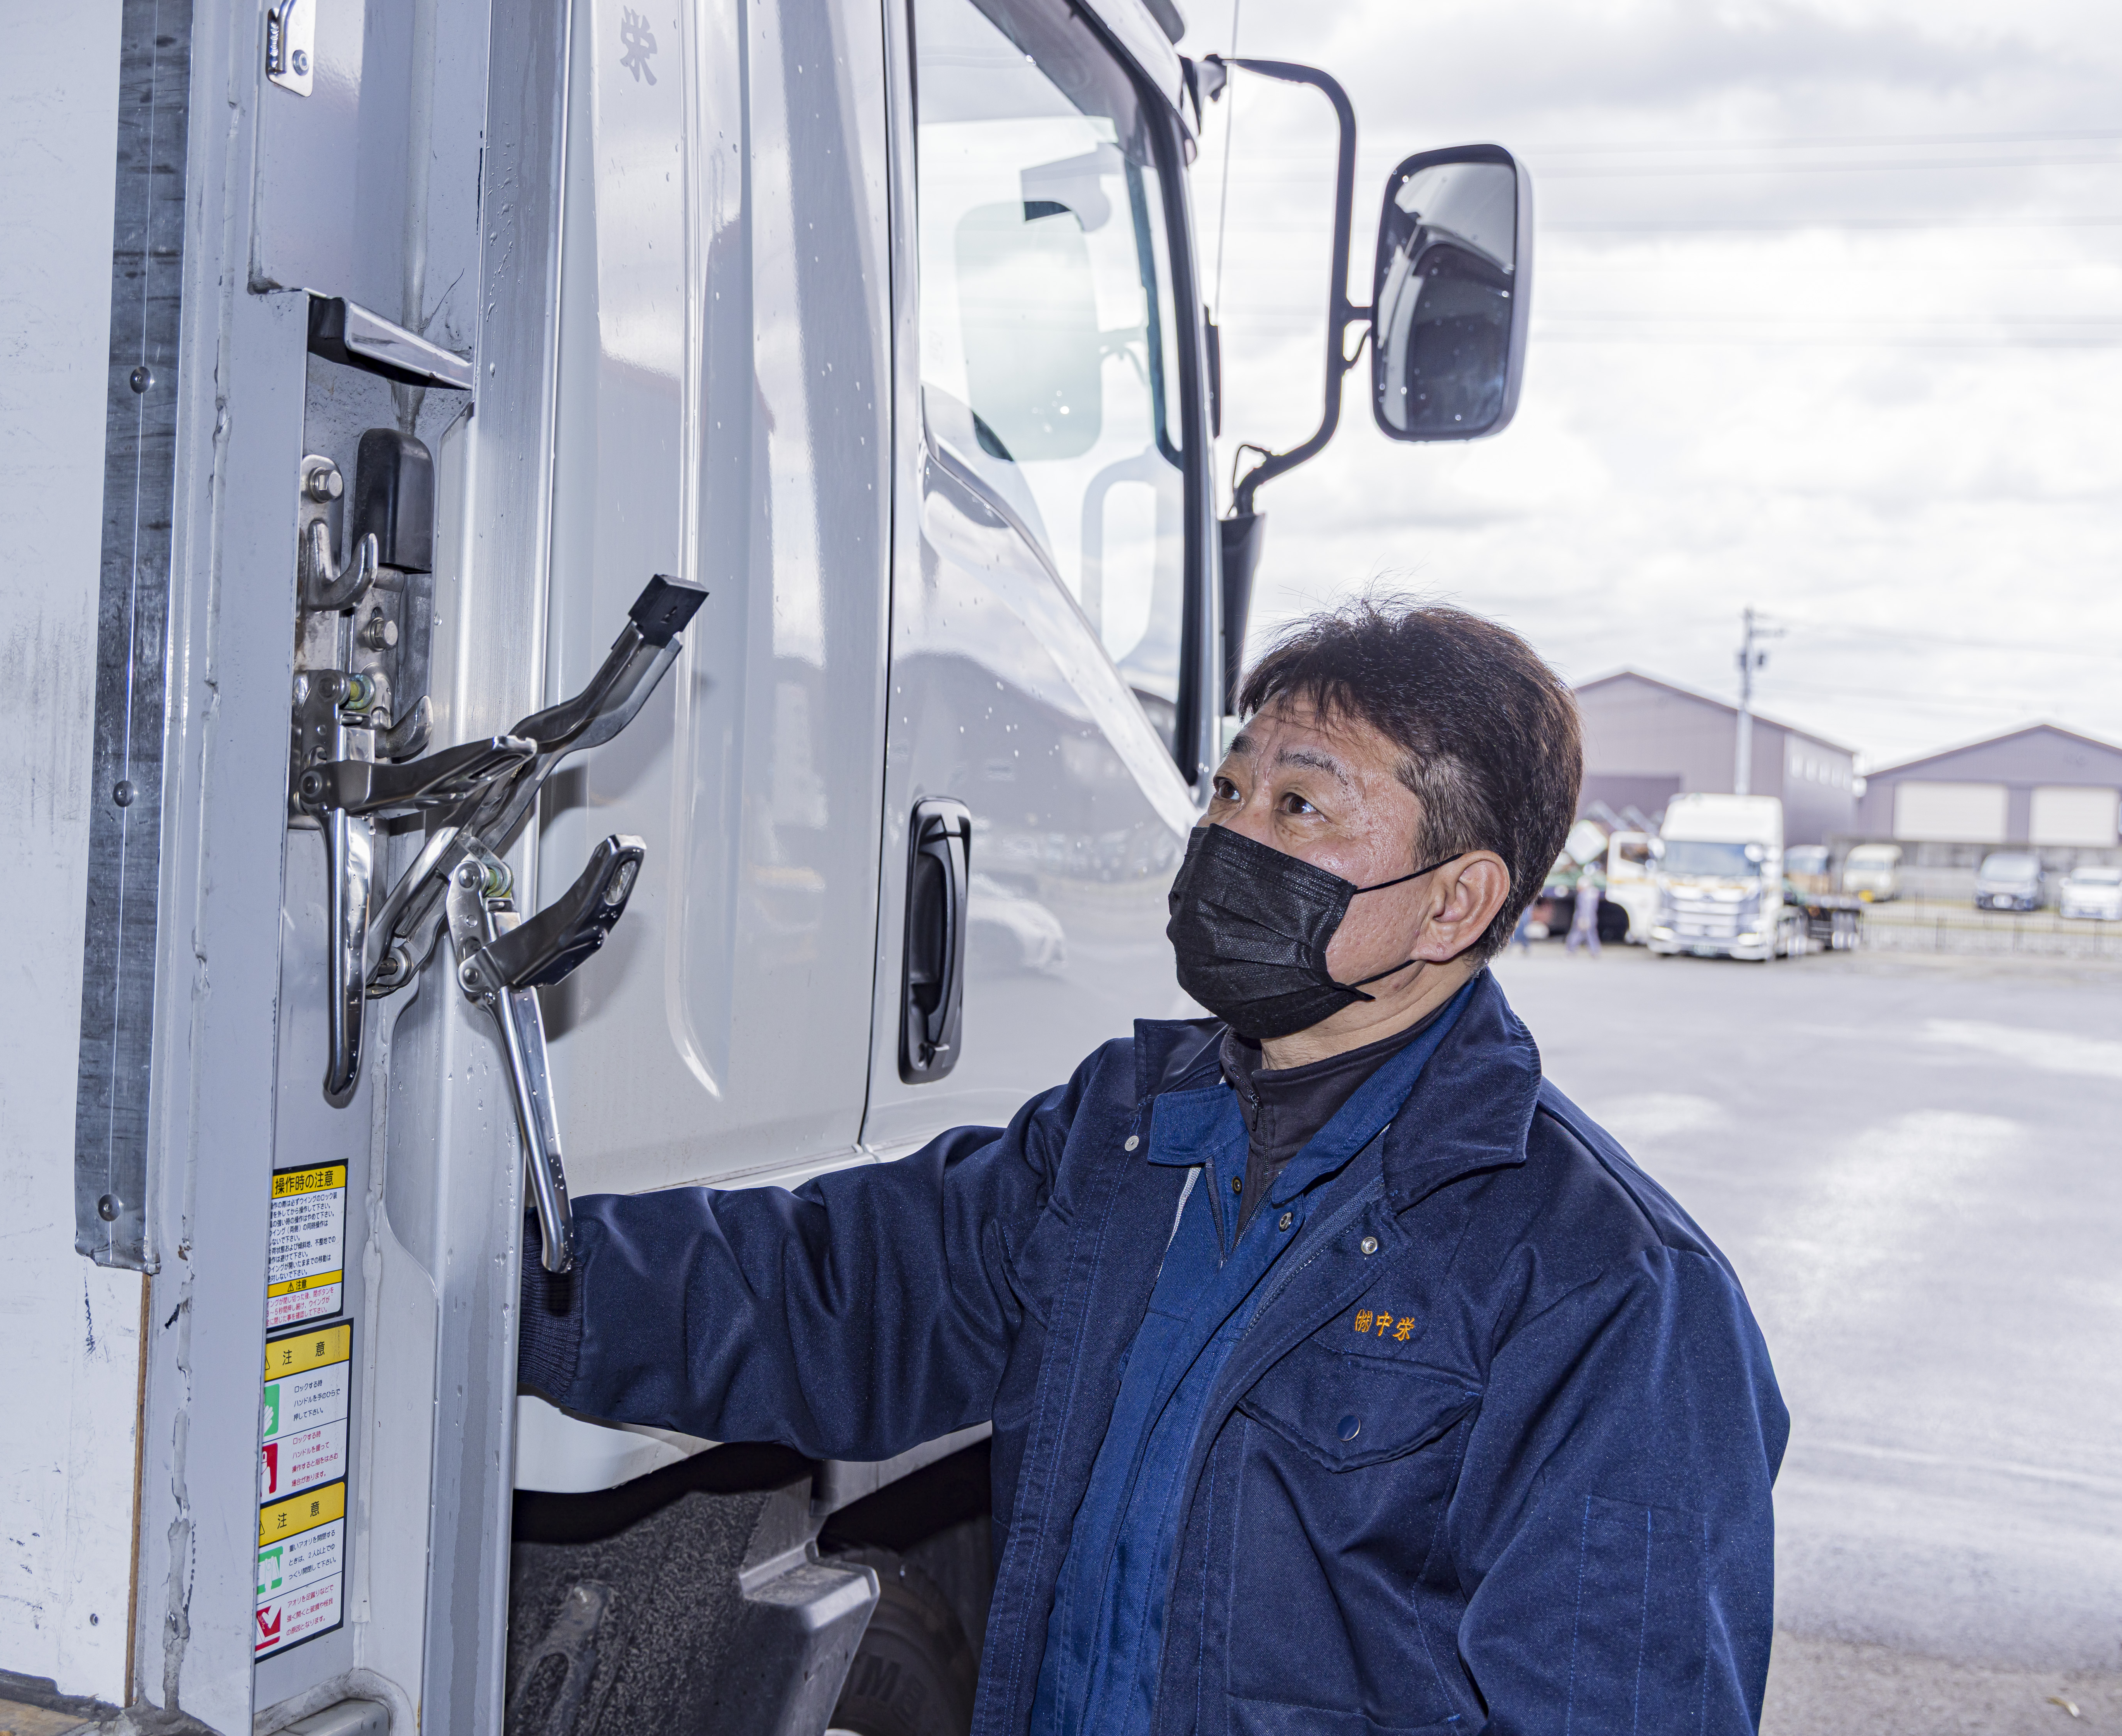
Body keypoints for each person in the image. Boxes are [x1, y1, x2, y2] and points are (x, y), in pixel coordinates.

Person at [521, 602, 1786, 1736]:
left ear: (1454, 905)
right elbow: (834, 1299)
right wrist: (483, 1268)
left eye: (1299, 806)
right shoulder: (1125, 1132)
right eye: (1228, 793)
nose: (1229, 837)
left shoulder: (1609, 1293)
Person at [1566, 861, 1604, 958]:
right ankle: (1595, 952)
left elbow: (1585, 907)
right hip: (1591, 917)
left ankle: (1571, 951)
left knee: (1577, 934)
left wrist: (1584, 919)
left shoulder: (1585, 895)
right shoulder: (1592, 893)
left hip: (1584, 917)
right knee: (1590, 934)